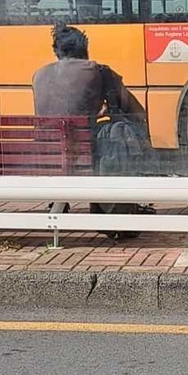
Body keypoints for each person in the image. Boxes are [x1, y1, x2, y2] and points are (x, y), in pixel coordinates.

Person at [32, 24, 151, 236]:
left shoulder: (39, 75)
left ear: (56, 51)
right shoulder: (98, 71)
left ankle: (60, 203)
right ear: (85, 48)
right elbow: (138, 113)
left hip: (48, 158)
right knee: (120, 133)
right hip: (85, 158)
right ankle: (117, 210)